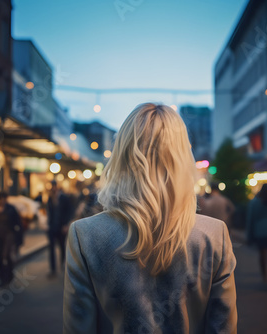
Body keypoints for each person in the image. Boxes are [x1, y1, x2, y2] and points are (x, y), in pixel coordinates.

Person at [63, 103, 237, 333]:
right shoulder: (214, 235)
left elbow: (79, 327)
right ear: (182, 159)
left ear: (122, 156)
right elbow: (222, 327)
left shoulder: (85, 235)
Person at [0, 191, 24, 287]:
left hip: (8, 237)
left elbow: (18, 223)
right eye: (0, 199)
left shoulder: (11, 209)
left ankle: (9, 276)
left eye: (4, 199)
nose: (2, 201)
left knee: (6, 256)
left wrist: (18, 238)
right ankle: (2, 278)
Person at [47, 180, 73, 277]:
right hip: (52, 227)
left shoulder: (64, 198)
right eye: (52, 186)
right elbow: (49, 212)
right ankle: (53, 269)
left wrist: (66, 224)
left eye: (54, 186)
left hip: (61, 227)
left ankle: (63, 263)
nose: (53, 188)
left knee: (62, 246)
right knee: (51, 248)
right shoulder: (50, 198)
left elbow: (69, 211)